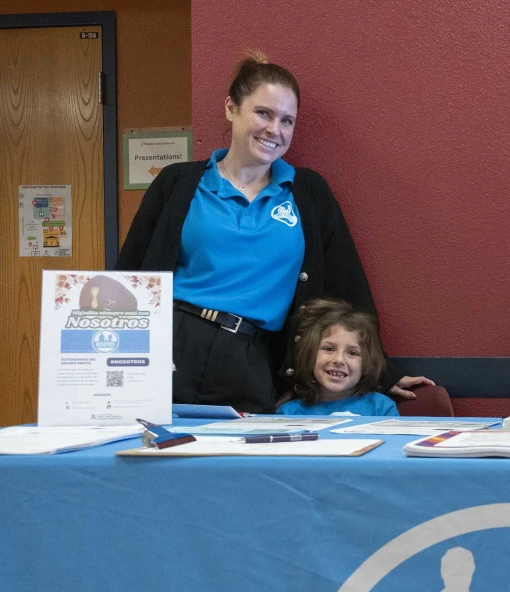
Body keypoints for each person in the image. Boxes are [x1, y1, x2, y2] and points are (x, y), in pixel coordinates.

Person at [115, 51, 430, 413]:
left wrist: (383, 370)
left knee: (239, 465)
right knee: (153, 458)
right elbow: (129, 276)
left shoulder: (308, 193)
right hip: (170, 344)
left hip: (251, 356)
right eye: (263, 113)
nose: (274, 130)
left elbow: (348, 285)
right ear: (231, 109)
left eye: (287, 120)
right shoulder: (178, 182)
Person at [275, 298, 397, 416]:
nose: (339, 360)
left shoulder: (381, 408)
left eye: (352, 353)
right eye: (329, 349)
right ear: (309, 356)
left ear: (366, 364)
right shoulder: (289, 413)